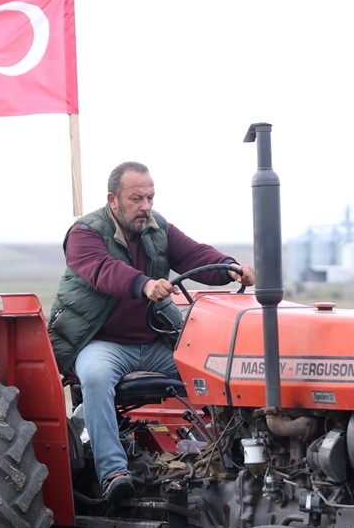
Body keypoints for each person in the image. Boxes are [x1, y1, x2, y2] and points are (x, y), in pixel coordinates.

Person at [49, 162, 256, 504]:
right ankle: (114, 474)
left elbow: (194, 254)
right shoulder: (84, 233)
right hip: (102, 343)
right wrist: (142, 285)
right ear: (113, 200)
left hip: (153, 341)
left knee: (212, 370)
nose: (146, 206)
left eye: (150, 197)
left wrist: (230, 268)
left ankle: (229, 459)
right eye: (137, 198)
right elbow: (104, 271)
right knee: (96, 377)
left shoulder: (157, 228)